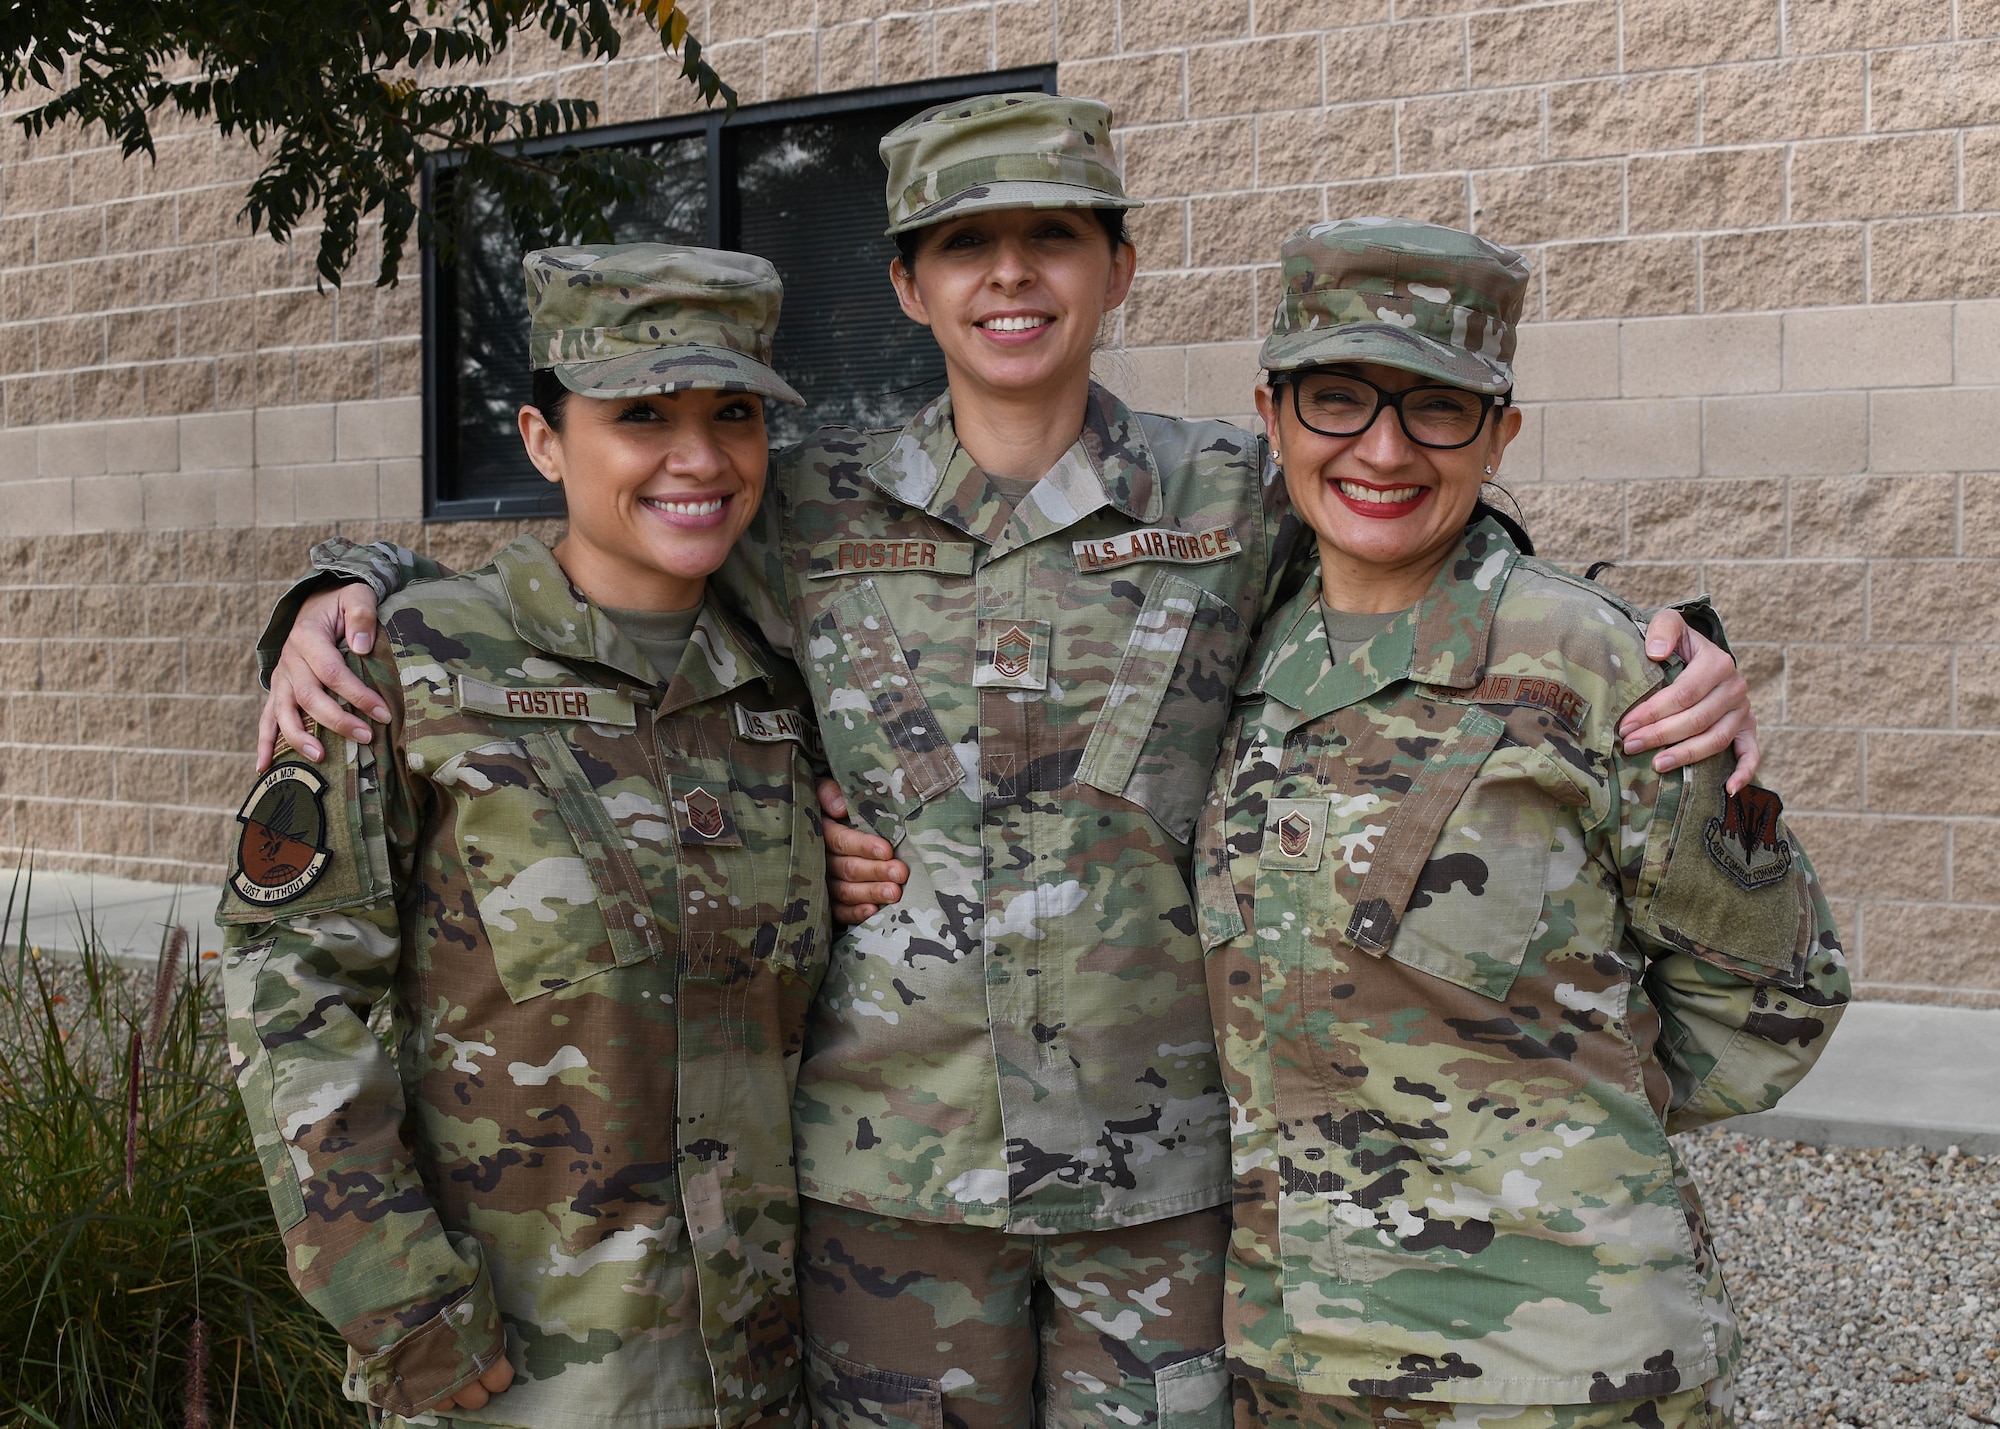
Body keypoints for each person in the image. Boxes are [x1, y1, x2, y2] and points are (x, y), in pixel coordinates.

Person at [250, 97, 1761, 1429]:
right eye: (967, 244)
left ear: (1119, 266)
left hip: (1161, 1175)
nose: (1013, 275)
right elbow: (589, 572)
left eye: (1053, 235)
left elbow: (1417, 529)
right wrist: (339, 590)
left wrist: (1660, 638)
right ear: (909, 283)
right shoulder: (802, 507)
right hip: (889, 1182)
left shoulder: (1237, 492)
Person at [1195, 218, 1850, 1429]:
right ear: (1271, 413)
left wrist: (1558, 1105)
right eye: (1336, 399)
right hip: (1290, 1352)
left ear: (1498, 429)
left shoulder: (1594, 665)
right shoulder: (1225, 659)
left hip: (1554, 1362)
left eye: (1437, 407)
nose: (1382, 449)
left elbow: (1777, 996)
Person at [218, 245, 829, 1428]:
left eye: (734, 414)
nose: (697, 457)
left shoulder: (789, 688)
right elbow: (287, 1001)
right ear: (544, 440)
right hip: (520, 1374)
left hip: (764, 1366)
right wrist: (397, 1310)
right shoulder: (406, 664)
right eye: (641, 413)